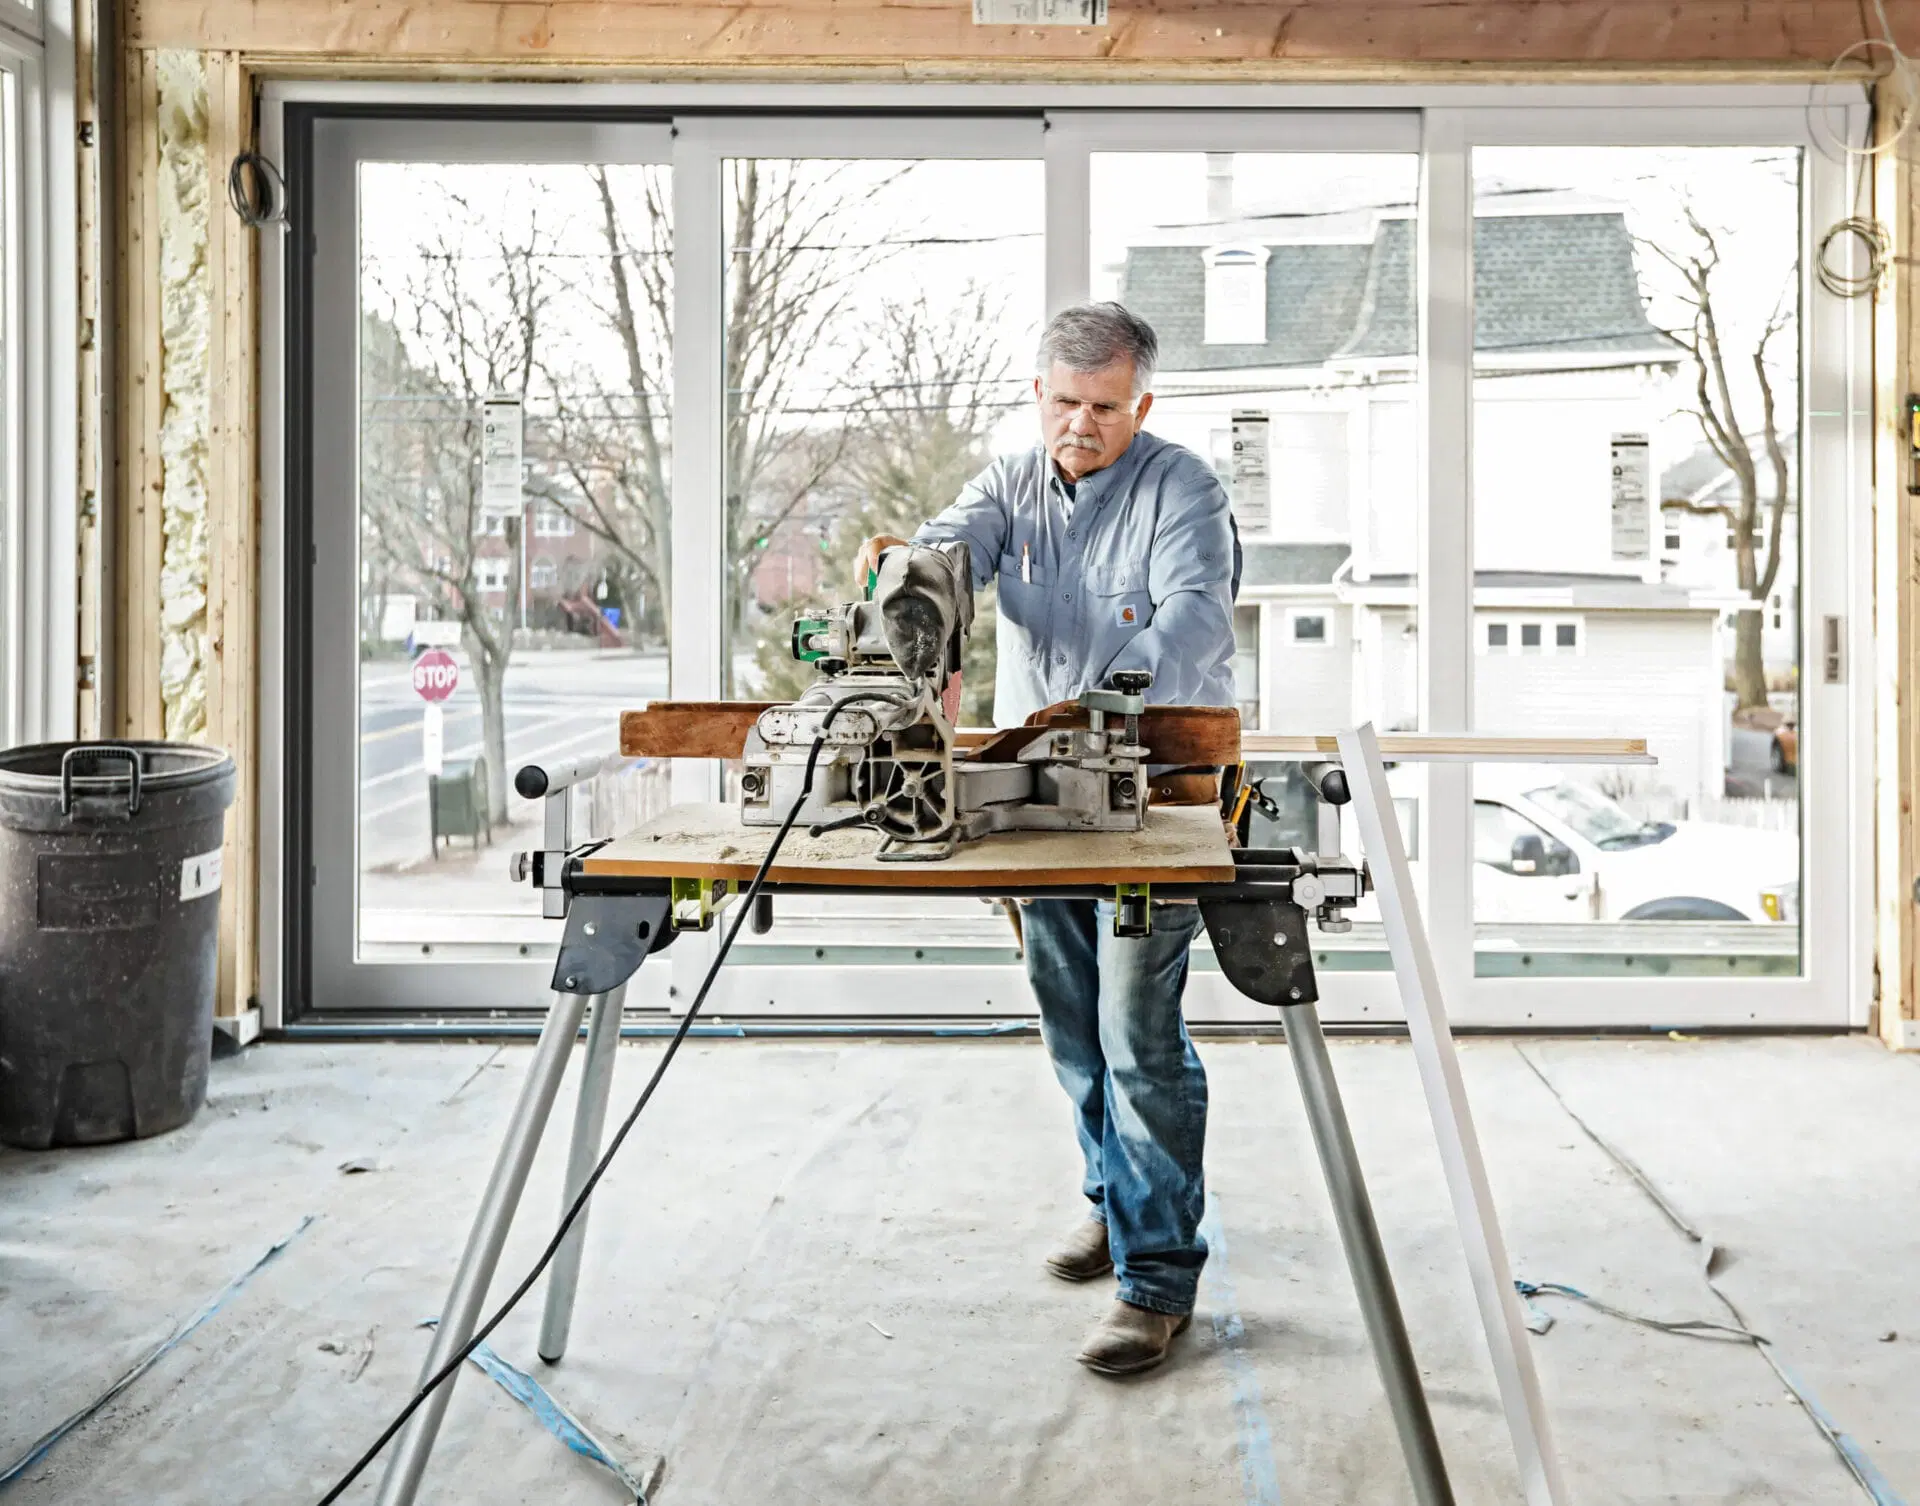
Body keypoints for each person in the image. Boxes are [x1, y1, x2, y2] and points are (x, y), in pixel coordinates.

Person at [855, 302, 1237, 1375]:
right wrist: (907, 586)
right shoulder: (1005, 488)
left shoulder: (1184, 489)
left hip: (1158, 793)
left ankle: (1157, 1278)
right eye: (1064, 403)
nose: (1081, 426)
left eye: (1105, 408)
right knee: (1071, 1029)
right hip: (1034, 795)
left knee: (1136, 1036)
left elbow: (1194, 619)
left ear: (1141, 404)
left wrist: (1097, 702)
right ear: (1038, 395)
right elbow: (946, 554)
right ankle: (1117, 1208)